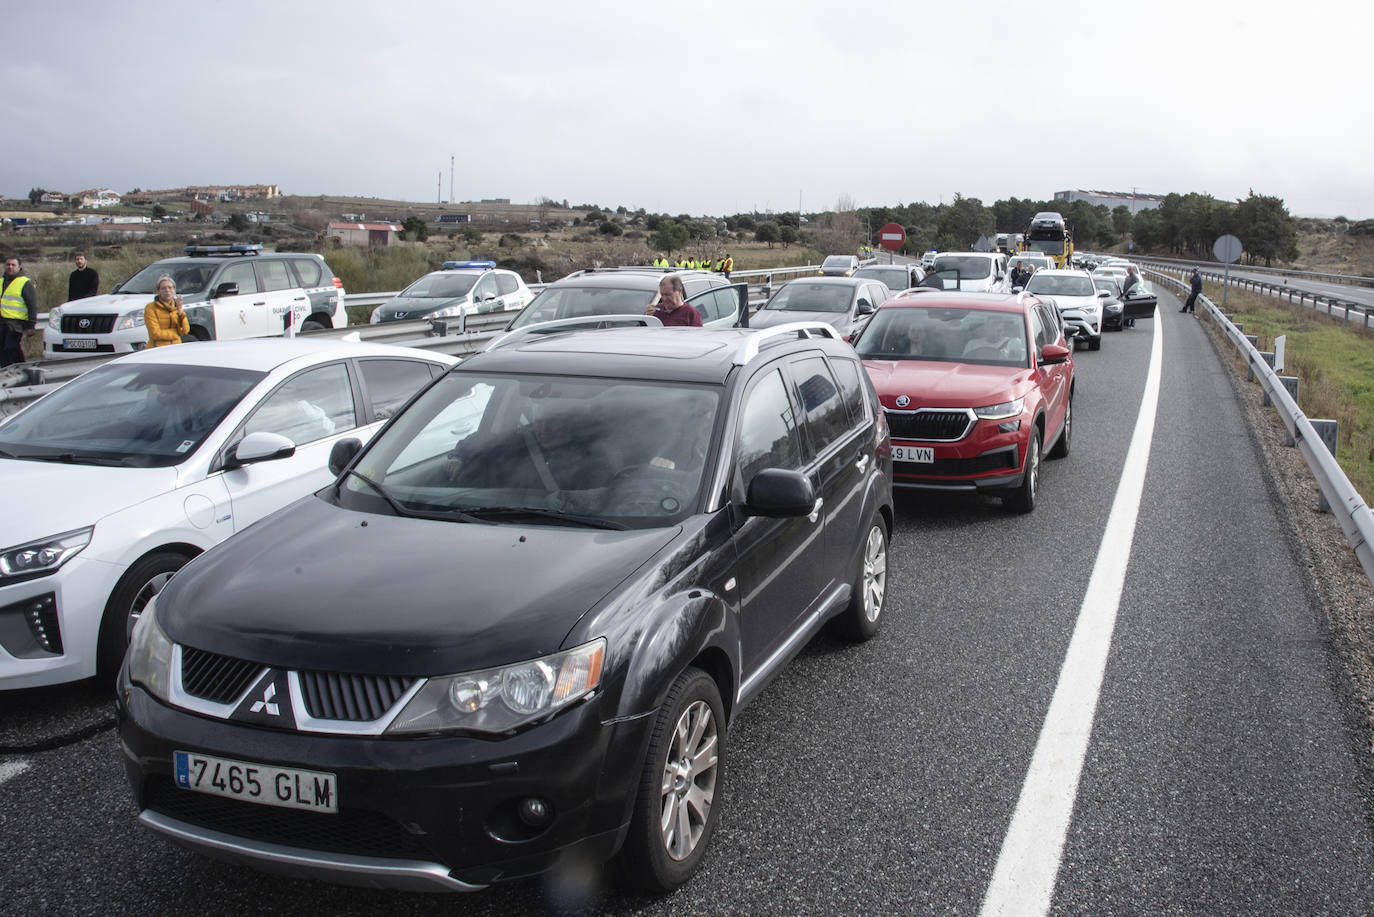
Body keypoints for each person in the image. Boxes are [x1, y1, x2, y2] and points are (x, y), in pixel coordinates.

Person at [0, 256, 38, 367]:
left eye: (13, 265)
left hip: (16, 323)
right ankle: (7, 371)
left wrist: (31, 325)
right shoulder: (1, 281)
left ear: (19, 267)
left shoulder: (25, 282)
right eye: (8, 265)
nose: (10, 267)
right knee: (2, 349)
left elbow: (32, 305)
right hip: (2, 321)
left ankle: (22, 368)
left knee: (10, 346)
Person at [145, 274, 189, 347]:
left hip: (175, 347)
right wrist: (176, 333)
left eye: (170, 288)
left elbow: (185, 330)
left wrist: (180, 312)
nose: (167, 290)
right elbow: (155, 333)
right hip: (157, 348)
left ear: (174, 290)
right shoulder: (150, 307)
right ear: (158, 291)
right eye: (163, 288)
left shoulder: (177, 306)